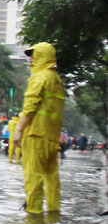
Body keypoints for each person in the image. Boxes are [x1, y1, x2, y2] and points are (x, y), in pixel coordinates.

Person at [13, 42, 65, 214]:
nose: (31, 60)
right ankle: (53, 216)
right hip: (52, 139)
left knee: (33, 178)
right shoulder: (57, 80)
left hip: (35, 135)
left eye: (33, 56)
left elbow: (30, 105)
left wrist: (19, 130)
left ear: (42, 57)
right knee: (52, 181)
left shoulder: (40, 77)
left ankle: (33, 219)